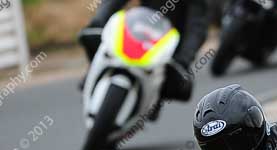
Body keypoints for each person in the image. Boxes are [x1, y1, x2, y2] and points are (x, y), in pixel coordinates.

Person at [79, 0, 209, 103]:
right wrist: (98, 22)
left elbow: (197, 27)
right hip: (139, 30)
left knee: (183, 86)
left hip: (170, 48)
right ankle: (94, 71)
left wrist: (183, 60)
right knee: (91, 36)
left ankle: (153, 99)